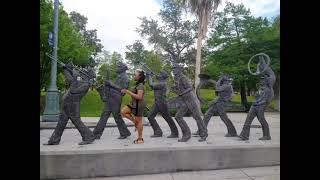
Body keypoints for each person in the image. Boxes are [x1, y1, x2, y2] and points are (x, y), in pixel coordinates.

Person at [44, 65, 96, 145]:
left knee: (77, 122)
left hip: (73, 106)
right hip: (67, 104)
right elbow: (70, 79)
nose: (82, 71)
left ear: (87, 75)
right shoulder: (79, 80)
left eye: (85, 71)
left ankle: (89, 137)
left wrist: (75, 75)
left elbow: (73, 90)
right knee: (61, 123)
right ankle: (54, 140)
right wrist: (66, 70)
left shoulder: (86, 84)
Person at [93, 63, 131, 140]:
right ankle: (96, 134)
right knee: (104, 116)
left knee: (116, 117)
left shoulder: (125, 77)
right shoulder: (119, 76)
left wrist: (111, 84)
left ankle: (124, 133)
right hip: (111, 98)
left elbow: (123, 90)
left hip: (116, 99)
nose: (117, 68)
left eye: (119, 66)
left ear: (123, 68)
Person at [171, 64, 208, 142]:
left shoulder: (183, 78)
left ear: (179, 69)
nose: (173, 70)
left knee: (197, 117)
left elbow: (190, 88)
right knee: (178, 117)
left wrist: (181, 93)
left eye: (174, 68)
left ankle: (203, 134)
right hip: (184, 101)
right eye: (173, 69)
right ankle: (187, 135)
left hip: (190, 100)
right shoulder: (177, 78)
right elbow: (180, 90)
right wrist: (175, 89)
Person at [146, 71, 179, 138]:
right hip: (157, 102)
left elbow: (151, 85)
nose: (158, 74)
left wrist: (149, 75)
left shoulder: (162, 83)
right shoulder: (159, 82)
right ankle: (158, 132)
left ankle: (175, 133)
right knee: (150, 116)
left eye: (160, 74)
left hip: (162, 103)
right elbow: (152, 85)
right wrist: (149, 76)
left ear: (162, 77)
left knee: (168, 118)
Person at [121, 69, 147, 144]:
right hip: (133, 103)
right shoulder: (137, 84)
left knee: (139, 121)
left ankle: (140, 139)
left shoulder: (141, 85)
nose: (134, 76)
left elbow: (139, 97)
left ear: (139, 76)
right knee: (123, 112)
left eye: (135, 74)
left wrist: (128, 92)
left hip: (139, 105)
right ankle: (135, 122)